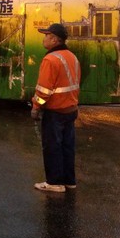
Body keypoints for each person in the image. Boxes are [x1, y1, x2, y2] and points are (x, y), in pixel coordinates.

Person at [31, 23, 81, 193]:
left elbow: (44, 90)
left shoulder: (50, 59)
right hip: (70, 110)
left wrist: (36, 107)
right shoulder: (72, 57)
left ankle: (54, 183)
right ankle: (69, 181)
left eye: (46, 35)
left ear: (54, 39)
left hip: (55, 112)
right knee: (67, 147)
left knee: (52, 146)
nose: (44, 39)